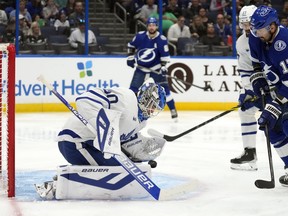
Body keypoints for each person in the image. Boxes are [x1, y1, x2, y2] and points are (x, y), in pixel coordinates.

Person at [35, 79, 167, 199]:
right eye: (151, 104)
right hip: (74, 141)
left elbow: (127, 144)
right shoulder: (126, 98)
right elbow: (85, 99)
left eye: (156, 108)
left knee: (128, 166)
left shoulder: (141, 122)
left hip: (91, 145)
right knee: (117, 169)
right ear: (144, 98)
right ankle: (54, 186)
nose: (152, 110)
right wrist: (103, 127)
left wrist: (144, 150)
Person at [249, 5, 288, 186]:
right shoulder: (256, 38)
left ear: (272, 26)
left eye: (261, 29)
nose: (257, 33)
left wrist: (275, 105)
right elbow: (256, 63)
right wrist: (258, 78)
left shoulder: (285, 42)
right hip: (279, 89)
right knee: (271, 128)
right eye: (254, 29)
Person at [127, 17, 179, 121]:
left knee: (165, 90)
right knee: (132, 91)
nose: (151, 27)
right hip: (141, 69)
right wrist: (130, 57)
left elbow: (165, 56)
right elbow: (131, 46)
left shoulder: (162, 39)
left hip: (156, 69)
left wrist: (163, 67)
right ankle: (129, 112)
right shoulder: (140, 36)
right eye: (150, 25)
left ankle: (173, 110)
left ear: (156, 26)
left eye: (153, 25)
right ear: (147, 26)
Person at [230, 5, 260, 171]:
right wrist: (248, 90)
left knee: (279, 121)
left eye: (249, 23)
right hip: (259, 87)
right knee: (245, 111)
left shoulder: (266, 37)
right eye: (243, 24)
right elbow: (244, 70)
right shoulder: (241, 42)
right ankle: (250, 154)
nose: (246, 28)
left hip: (278, 87)